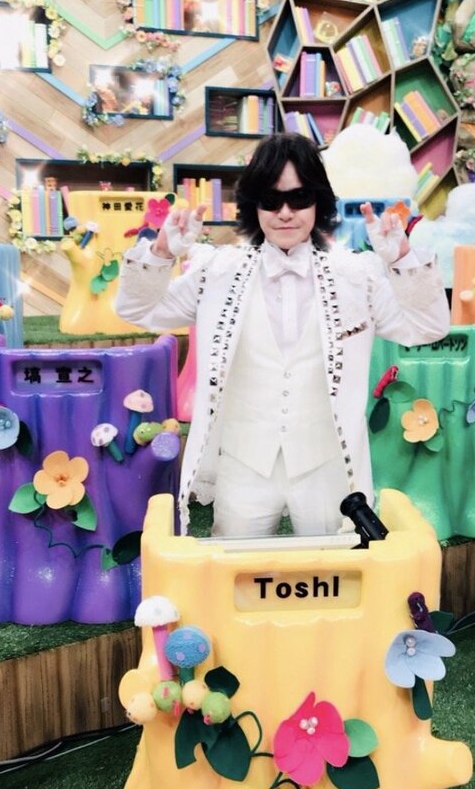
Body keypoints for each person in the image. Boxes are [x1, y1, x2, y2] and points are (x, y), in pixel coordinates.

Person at [116, 132, 449, 537]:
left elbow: (427, 328)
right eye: (271, 200)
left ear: (318, 201)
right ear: (253, 206)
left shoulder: (355, 275)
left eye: (299, 198)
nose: (286, 213)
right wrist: (161, 254)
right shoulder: (218, 272)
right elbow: (138, 310)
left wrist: (402, 260)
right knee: (237, 569)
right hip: (245, 463)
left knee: (334, 570)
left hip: (327, 465)